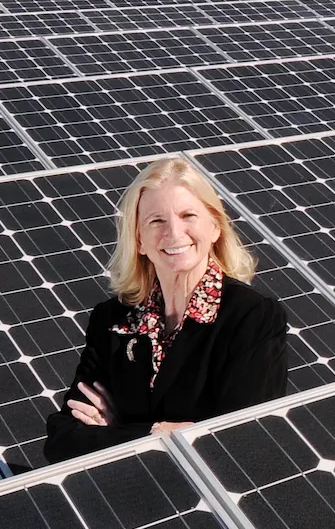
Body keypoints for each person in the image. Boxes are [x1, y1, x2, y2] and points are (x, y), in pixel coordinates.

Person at [45, 157, 288, 463]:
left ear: (215, 228)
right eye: (156, 221)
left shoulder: (253, 318)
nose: (174, 233)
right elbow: (61, 441)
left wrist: (117, 430)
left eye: (188, 215)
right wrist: (156, 432)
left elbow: (244, 447)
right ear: (139, 241)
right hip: (113, 495)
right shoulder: (113, 322)